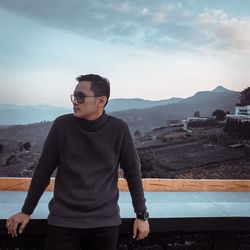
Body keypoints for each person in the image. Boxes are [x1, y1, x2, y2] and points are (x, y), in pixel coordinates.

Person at [6, 74, 150, 250]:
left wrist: (141, 216)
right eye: (74, 96)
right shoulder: (62, 125)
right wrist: (26, 211)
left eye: (81, 97)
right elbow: (43, 171)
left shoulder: (119, 129)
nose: (75, 101)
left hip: (104, 223)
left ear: (101, 101)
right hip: (63, 221)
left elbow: (133, 172)